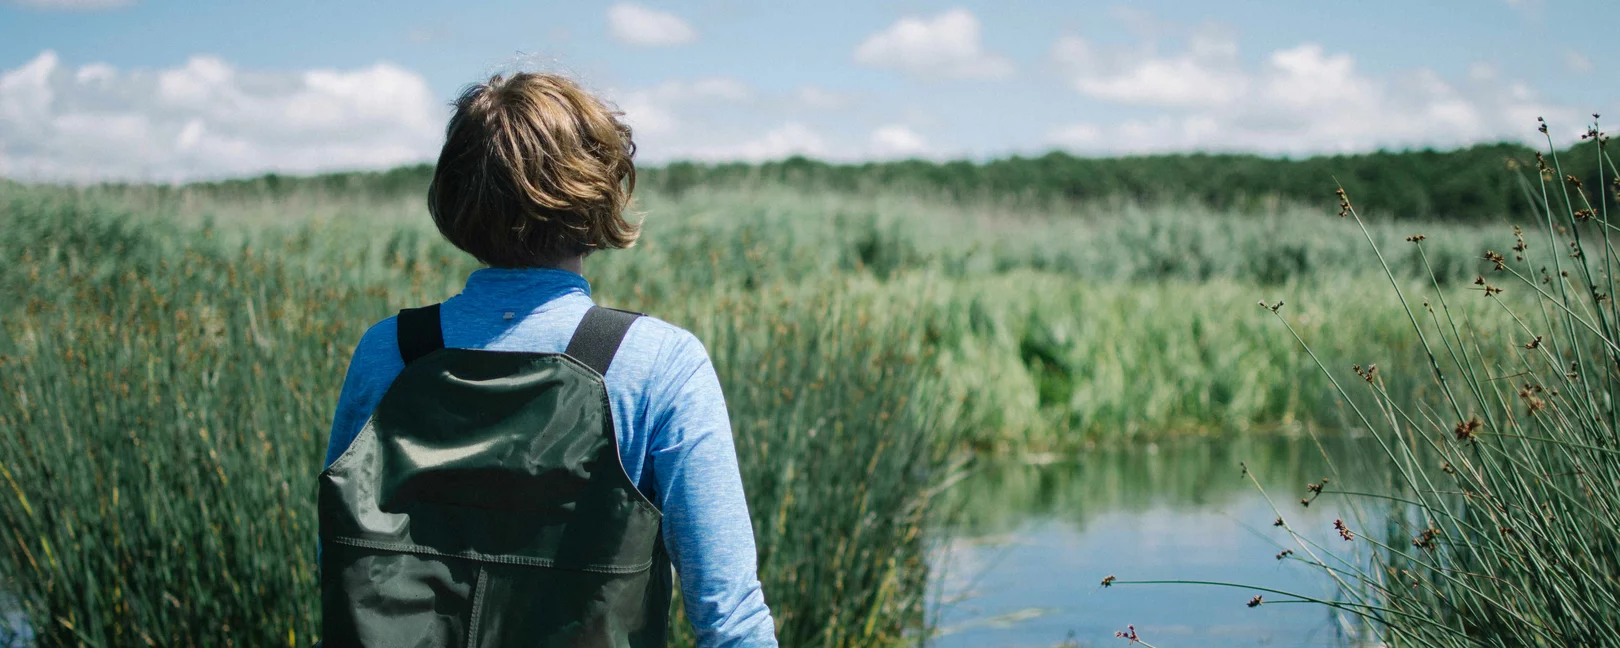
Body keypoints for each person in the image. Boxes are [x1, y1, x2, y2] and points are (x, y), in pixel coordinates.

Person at [318, 71, 778, 647]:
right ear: (595, 195)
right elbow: (729, 619)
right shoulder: (659, 364)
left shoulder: (387, 352)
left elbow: (340, 573)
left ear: (458, 195)